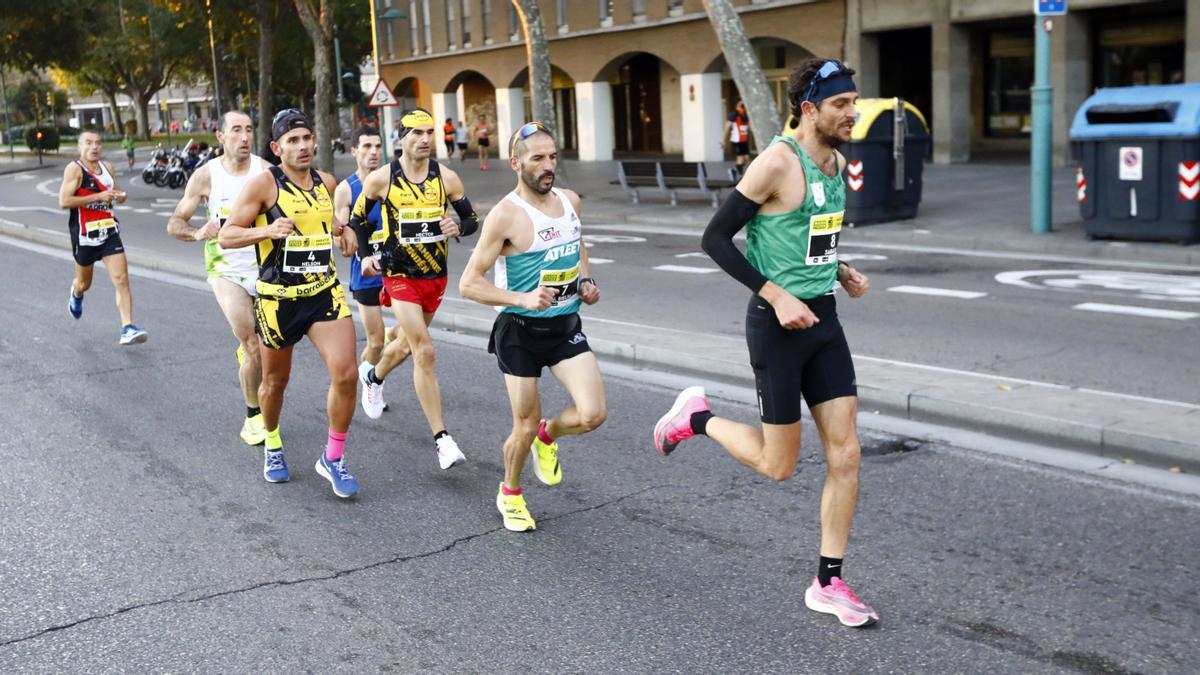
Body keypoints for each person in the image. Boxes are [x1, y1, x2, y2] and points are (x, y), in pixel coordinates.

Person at [652, 59, 877, 628]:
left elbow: (806, 239)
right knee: (780, 466)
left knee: (845, 454)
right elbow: (714, 238)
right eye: (841, 104)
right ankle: (696, 417)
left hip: (823, 321)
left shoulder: (835, 163)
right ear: (809, 109)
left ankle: (828, 582)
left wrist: (840, 268)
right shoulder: (777, 161)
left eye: (854, 101)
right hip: (776, 327)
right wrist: (776, 296)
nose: (853, 112)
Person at [459, 121, 605, 532]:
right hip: (520, 331)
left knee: (593, 414)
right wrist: (520, 298)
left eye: (552, 157)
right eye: (537, 158)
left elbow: (576, 243)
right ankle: (510, 492)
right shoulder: (505, 216)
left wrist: (587, 282)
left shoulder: (570, 201)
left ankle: (550, 435)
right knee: (520, 426)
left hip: (563, 327)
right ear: (515, 162)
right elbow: (468, 283)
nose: (548, 166)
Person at [218, 109, 361, 498]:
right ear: (276, 148)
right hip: (278, 300)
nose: (302, 146)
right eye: (292, 141)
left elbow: (329, 225)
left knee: (347, 374)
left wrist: (345, 233)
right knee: (275, 383)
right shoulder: (263, 186)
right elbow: (226, 236)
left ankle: (333, 457)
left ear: (315, 141)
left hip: (322, 293)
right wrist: (267, 229)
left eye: (306, 138)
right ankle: (273, 441)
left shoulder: (326, 182)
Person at [348, 108, 479, 471]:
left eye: (429, 132)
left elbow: (471, 220)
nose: (424, 139)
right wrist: (365, 256)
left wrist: (458, 227)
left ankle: (373, 377)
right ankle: (443, 439)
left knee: (405, 346)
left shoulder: (446, 177)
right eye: (416, 133)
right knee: (424, 350)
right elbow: (357, 220)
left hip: (435, 276)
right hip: (398, 275)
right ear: (401, 138)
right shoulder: (381, 179)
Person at [166, 110, 268, 447]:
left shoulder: (265, 170)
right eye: (236, 130)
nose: (244, 136)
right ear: (220, 137)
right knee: (252, 343)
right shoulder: (205, 176)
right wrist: (197, 233)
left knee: (268, 347)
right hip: (225, 269)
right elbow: (175, 223)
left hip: (264, 266)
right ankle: (253, 416)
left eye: (249, 130)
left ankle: (248, 358)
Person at [58, 128, 146, 345]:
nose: (94, 147)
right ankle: (76, 293)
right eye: (88, 143)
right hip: (85, 235)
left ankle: (128, 327)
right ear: (79, 147)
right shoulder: (74, 169)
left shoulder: (108, 168)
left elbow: (113, 197)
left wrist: (119, 198)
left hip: (109, 231)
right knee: (84, 283)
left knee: (122, 279)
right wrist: (99, 196)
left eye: (97, 142)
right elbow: (64, 201)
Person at [333, 125, 393, 409]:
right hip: (366, 275)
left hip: (398, 272)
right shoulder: (347, 189)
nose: (373, 152)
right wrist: (348, 238)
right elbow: (342, 242)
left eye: (377, 146)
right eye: (367, 147)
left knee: (411, 334)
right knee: (377, 342)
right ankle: (370, 380)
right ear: (354, 150)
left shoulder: (394, 181)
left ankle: (374, 379)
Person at [723, 100, 751, 178]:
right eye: (741, 106)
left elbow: (748, 127)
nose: (742, 108)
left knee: (747, 158)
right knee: (741, 159)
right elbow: (726, 128)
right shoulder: (734, 115)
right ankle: (741, 176)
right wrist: (723, 141)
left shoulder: (746, 115)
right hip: (737, 140)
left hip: (744, 140)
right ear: (737, 106)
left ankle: (734, 170)